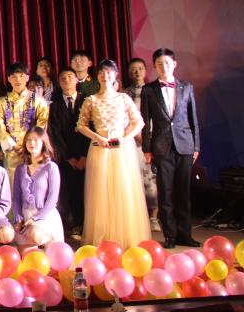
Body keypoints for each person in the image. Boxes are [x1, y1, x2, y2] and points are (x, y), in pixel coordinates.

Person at [76, 59, 149, 248]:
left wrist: (125, 138)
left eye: (109, 72)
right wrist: (97, 137)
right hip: (99, 149)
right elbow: (81, 125)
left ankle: (126, 237)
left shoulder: (124, 98)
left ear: (115, 74)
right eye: (101, 72)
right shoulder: (91, 100)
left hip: (122, 150)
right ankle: (104, 238)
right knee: (101, 193)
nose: (105, 75)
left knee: (124, 190)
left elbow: (139, 122)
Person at [141, 48, 201, 249]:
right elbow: (145, 123)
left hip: (185, 144)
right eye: (159, 64)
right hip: (161, 146)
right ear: (155, 66)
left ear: (174, 64)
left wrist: (196, 145)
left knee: (183, 192)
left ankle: (185, 234)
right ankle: (170, 235)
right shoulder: (148, 90)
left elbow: (193, 118)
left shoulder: (187, 87)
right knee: (165, 193)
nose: (163, 67)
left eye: (167, 63)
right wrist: (147, 149)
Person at [48, 67, 89, 240]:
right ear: (59, 82)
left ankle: (89, 224)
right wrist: (69, 157)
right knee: (70, 191)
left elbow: (92, 128)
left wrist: (84, 155)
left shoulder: (87, 101)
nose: (66, 80)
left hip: (87, 154)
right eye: (63, 78)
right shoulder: (54, 106)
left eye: (70, 77)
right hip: (67, 157)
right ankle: (76, 224)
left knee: (88, 190)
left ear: (77, 80)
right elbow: (55, 134)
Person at [122, 57, 160, 232]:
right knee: (135, 178)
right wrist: (136, 135)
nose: (136, 72)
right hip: (132, 141)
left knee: (153, 179)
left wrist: (150, 139)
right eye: (133, 69)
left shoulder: (153, 90)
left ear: (145, 70)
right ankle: (138, 216)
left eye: (140, 68)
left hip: (153, 139)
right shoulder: (125, 94)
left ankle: (154, 217)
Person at [0, 62, 49, 183]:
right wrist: (13, 145)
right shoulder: (2, 102)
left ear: (27, 78)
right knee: (13, 185)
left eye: (21, 76)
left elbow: (41, 126)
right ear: (9, 79)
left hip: (33, 150)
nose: (18, 79)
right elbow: (0, 127)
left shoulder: (38, 100)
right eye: (14, 76)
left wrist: (28, 144)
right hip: (12, 152)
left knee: (34, 184)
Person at [12, 127, 64, 247]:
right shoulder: (20, 169)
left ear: (43, 143)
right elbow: (16, 197)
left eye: (36, 140)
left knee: (34, 234)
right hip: (25, 216)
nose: (32, 143)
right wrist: (18, 218)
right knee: (27, 255)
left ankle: (49, 241)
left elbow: (53, 198)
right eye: (28, 140)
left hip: (44, 215)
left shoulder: (51, 167)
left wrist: (36, 218)